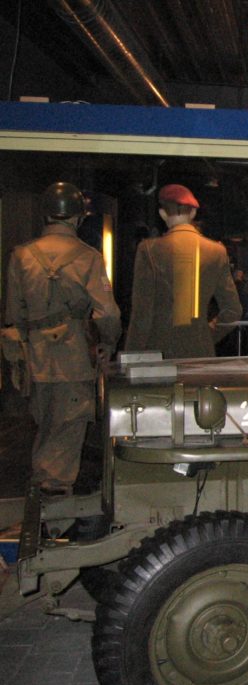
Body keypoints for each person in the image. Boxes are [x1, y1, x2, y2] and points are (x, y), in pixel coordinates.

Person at [2, 182, 121, 494]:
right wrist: (108, 343)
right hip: (73, 359)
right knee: (67, 431)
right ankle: (51, 508)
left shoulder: (21, 255)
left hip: (34, 361)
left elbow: (14, 314)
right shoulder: (87, 257)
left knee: (46, 429)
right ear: (78, 217)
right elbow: (107, 313)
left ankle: (42, 494)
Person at [124, 184, 242, 358]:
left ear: (162, 214)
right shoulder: (216, 251)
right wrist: (206, 335)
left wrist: (131, 355)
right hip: (200, 352)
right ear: (193, 213)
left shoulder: (148, 250)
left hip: (158, 354)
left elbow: (142, 313)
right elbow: (233, 310)